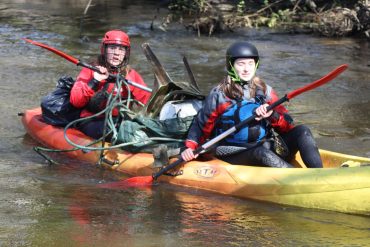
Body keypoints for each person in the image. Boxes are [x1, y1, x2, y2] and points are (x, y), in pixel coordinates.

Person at [181, 41, 323, 168]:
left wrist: (271, 115)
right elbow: (201, 126)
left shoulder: (265, 91)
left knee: (302, 131)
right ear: (231, 65)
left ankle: (319, 173)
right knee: (262, 153)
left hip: (266, 144)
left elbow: (288, 126)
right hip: (236, 151)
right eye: (241, 64)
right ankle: (302, 180)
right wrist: (190, 148)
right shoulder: (219, 95)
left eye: (250, 63)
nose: (246, 69)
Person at [70, 30, 151, 139]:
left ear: (126, 53)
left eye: (121, 49)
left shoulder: (131, 75)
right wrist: (95, 81)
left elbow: (149, 103)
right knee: (113, 131)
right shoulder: (90, 70)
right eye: (112, 48)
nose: (117, 53)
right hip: (92, 120)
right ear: (104, 50)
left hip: (119, 121)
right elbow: (76, 101)